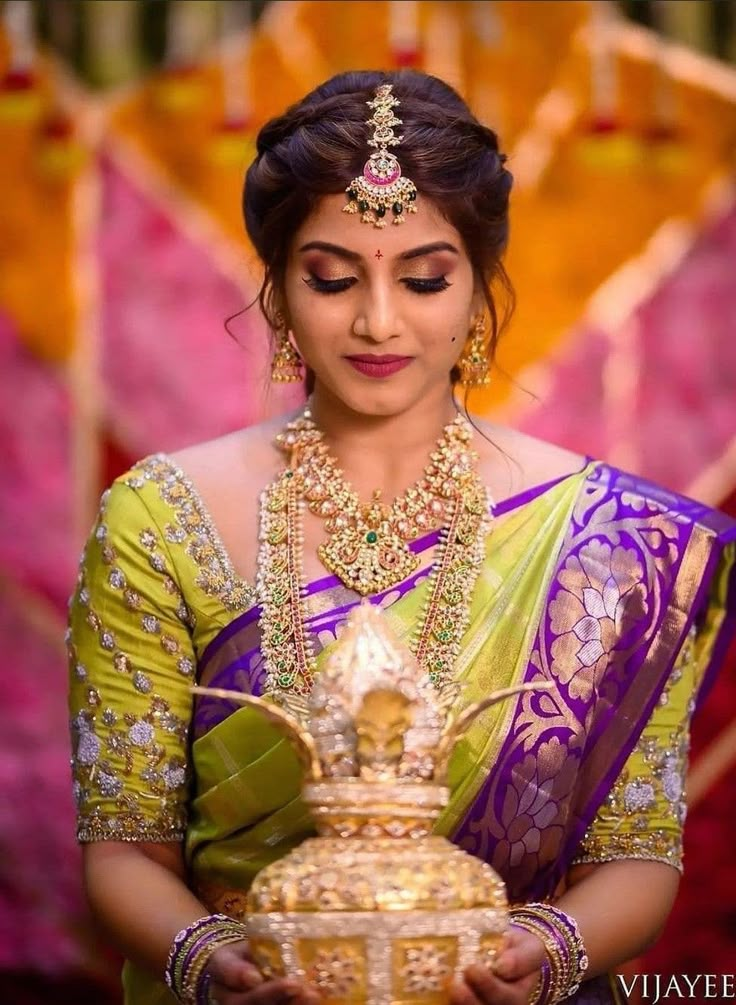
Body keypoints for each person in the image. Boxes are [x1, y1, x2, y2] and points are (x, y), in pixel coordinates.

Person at [68, 69, 736, 1005]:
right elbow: (122, 848)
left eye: (423, 278)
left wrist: (543, 955)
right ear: (279, 289)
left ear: (476, 289)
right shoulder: (162, 516)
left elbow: (634, 856)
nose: (378, 321)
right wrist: (211, 966)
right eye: (333, 278)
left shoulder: (617, 545)